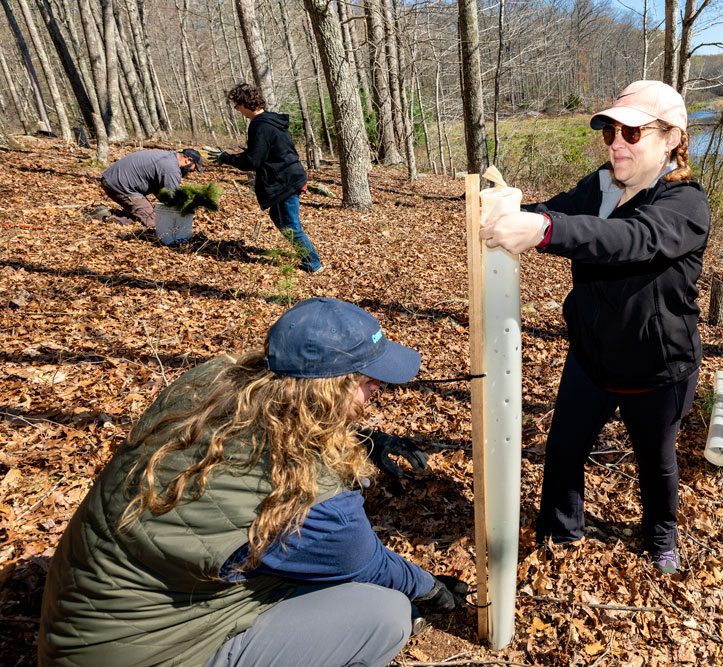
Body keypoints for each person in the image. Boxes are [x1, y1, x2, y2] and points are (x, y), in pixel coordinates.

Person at [39, 297, 469, 667]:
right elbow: (366, 562)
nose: (377, 388)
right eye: (364, 380)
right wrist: (430, 589)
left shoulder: (207, 386)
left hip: (86, 623)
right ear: (325, 390)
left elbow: (277, 433)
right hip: (149, 653)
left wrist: (366, 441)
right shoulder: (306, 495)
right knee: (386, 612)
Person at [479, 80, 710, 575]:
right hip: (591, 356)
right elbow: (557, 209)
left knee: (656, 461)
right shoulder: (599, 186)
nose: (617, 143)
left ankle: (660, 536)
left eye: (631, 132)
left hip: (658, 367)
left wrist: (546, 232)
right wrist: (509, 212)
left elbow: (633, 238)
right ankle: (561, 532)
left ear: (671, 138)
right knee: (563, 447)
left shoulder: (685, 204)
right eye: (610, 133)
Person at [215, 83, 323, 274]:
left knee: (290, 225)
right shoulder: (271, 121)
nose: (236, 109)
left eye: (237, 105)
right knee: (278, 218)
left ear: (245, 103)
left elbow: (253, 161)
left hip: (285, 180)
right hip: (288, 176)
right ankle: (307, 258)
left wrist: (227, 159)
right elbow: (262, 154)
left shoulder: (260, 125)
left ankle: (313, 264)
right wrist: (234, 157)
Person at [92, 148, 204, 228]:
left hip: (114, 181)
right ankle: (105, 217)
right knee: (154, 223)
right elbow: (172, 196)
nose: (190, 173)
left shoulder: (168, 157)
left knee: (146, 214)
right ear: (188, 160)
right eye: (192, 169)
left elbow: (160, 191)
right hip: (119, 186)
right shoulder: (171, 168)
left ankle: (129, 215)